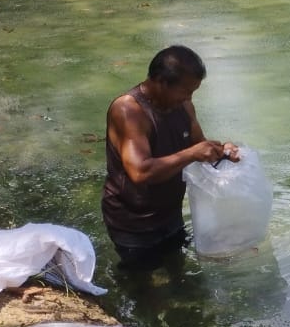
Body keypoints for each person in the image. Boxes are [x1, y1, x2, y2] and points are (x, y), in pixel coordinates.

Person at [101, 45, 240, 271]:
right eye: (185, 91)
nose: (189, 97)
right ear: (161, 82)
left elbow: (199, 147)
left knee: (179, 273)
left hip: (170, 214)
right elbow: (140, 172)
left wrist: (223, 150)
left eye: (193, 92)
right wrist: (192, 153)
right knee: (143, 282)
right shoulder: (129, 110)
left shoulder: (183, 106)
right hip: (133, 223)